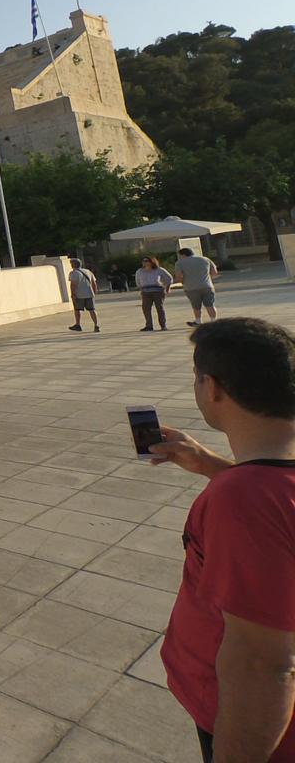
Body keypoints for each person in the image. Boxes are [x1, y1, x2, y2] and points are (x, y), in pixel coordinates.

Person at [151, 319, 295, 762]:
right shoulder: (263, 485)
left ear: (211, 387)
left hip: (253, 731)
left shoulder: (243, 500)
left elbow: (264, 665)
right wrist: (212, 464)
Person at [176, 247, 221, 327]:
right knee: (210, 304)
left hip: (191, 287)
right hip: (207, 285)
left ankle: (198, 321)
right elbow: (214, 272)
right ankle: (213, 321)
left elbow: (179, 276)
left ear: (183, 255)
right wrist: (208, 278)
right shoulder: (205, 259)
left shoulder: (180, 263)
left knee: (196, 305)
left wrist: (182, 282)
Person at [136, 254, 175, 332]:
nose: (145, 263)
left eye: (147, 261)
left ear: (152, 261)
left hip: (158, 291)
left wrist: (167, 287)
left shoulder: (159, 270)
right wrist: (141, 289)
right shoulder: (140, 271)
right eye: (143, 261)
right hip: (146, 292)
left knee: (159, 308)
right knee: (146, 309)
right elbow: (138, 281)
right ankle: (149, 326)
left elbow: (169, 278)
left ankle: (163, 325)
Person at [67, 258, 101, 333]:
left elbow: (73, 285)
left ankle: (78, 324)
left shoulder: (74, 273)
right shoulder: (88, 271)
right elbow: (93, 283)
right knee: (92, 310)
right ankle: (96, 325)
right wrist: (94, 292)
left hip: (79, 294)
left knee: (77, 309)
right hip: (89, 294)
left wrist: (73, 294)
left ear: (73, 265)